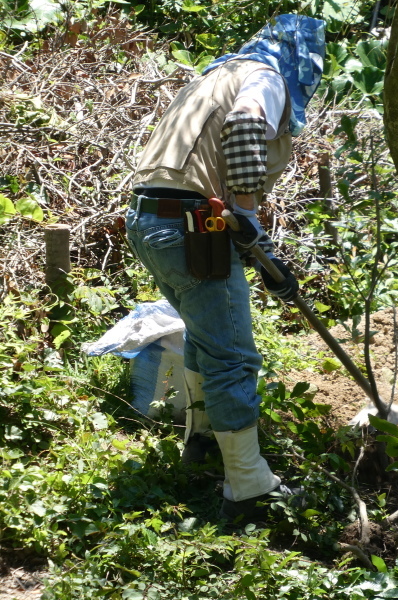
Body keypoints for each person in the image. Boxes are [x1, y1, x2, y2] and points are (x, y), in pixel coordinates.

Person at [125, 15, 325, 520]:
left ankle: (204, 441)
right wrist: (248, 211)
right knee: (233, 357)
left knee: (205, 334)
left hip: (151, 220)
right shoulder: (265, 75)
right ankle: (250, 486)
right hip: (190, 229)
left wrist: (248, 232)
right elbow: (244, 126)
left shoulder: (215, 75)